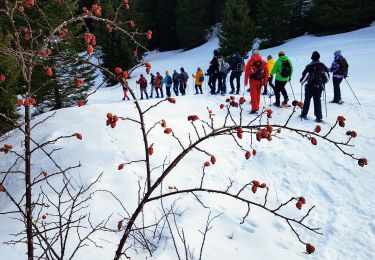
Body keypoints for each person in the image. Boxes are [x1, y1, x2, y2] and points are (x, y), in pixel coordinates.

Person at [299, 51, 330, 123]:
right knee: (317, 101)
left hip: (310, 86)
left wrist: (301, 81)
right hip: (319, 87)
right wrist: (322, 82)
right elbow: (327, 78)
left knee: (307, 100)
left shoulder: (309, 66)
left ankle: (304, 114)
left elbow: (304, 77)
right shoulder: (323, 65)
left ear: (312, 58)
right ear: (319, 57)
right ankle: (319, 117)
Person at [244, 50, 269, 114]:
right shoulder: (263, 61)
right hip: (260, 81)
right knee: (258, 94)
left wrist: (246, 81)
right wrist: (265, 82)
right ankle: (257, 107)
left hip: (253, 81)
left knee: (253, 95)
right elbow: (267, 72)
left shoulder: (250, 61)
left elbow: (247, 71)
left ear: (253, 54)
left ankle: (254, 109)